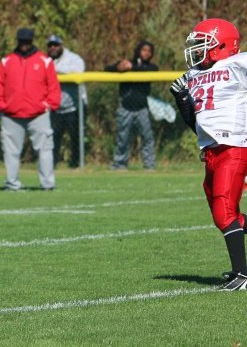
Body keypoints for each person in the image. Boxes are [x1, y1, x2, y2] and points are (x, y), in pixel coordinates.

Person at [168, 18, 247, 290]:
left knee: (224, 212)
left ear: (222, 45)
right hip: (211, 151)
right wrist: (182, 102)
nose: (197, 49)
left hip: (234, 147)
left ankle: (242, 275)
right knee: (224, 214)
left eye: (203, 43)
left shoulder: (237, 65)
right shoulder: (195, 74)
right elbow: (196, 124)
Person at [0, 28, 61, 191]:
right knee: (10, 152)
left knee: (45, 151)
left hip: (38, 115)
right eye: (22, 41)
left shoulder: (45, 60)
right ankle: (12, 183)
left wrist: (48, 105)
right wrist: (1, 104)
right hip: (11, 115)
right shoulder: (6, 61)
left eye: (27, 41)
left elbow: (53, 87)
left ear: (32, 41)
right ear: (18, 41)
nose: (24, 45)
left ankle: (48, 184)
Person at [105, 41, 158, 170]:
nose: (146, 53)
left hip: (142, 109)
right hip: (125, 108)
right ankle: (119, 164)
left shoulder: (150, 67)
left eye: (149, 51)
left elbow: (152, 70)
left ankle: (149, 165)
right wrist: (119, 67)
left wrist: (131, 68)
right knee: (123, 138)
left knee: (147, 137)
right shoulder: (126, 64)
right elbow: (107, 69)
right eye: (144, 50)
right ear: (138, 50)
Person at [46, 35, 87, 168]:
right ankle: (52, 165)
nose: (53, 48)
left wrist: (54, 70)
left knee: (76, 137)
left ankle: (76, 164)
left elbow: (78, 70)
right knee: (53, 138)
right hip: (55, 107)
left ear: (61, 45)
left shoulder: (73, 58)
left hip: (75, 107)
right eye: (50, 45)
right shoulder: (45, 60)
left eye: (56, 45)